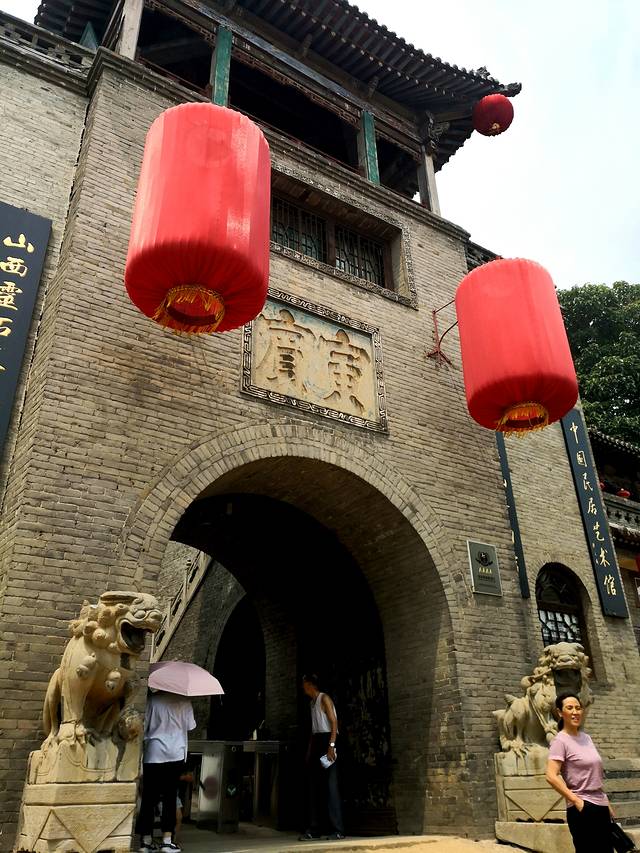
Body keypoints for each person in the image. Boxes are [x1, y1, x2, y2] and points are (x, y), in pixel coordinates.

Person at [545, 692, 614, 853]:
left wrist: (606, 803)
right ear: (560, 712)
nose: (575, 712)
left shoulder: (586, 738)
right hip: (582, 807)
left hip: (601, 804)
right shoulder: (560, 741)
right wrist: (576, 801)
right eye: (570, 708)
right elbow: (551, 775)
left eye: (578, 708)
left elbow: (594, 773)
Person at [137, 690, 196, 853]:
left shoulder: (152, 701)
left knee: (149, 798)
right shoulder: (185, 702)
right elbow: (191, 726)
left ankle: (146, 841)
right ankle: (167, 841)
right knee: (170, 797)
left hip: (154, 753)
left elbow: (144, 725)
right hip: (176, 753)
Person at [299, 673, 345, 842]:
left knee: (331, 787)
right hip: (317, 742)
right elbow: (314, 731)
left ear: (310, 685)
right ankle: (315, 828)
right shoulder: (312, 703)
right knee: (314, 787)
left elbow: (334, 723)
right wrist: (309, 751)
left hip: (328, 740)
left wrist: (331, 746)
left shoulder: (324, 698)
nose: (302, 687)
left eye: (304, 683)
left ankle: (338, 829)